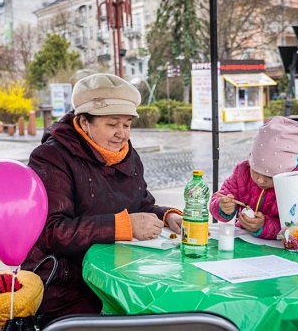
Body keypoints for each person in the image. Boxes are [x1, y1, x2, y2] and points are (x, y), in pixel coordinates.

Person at [22, 73, 183, 322]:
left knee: (170, 312)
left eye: (127, 124)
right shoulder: (51, 158)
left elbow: (142, 204)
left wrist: (166, 216)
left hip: (122, 276)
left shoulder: (127, 154)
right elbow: (53, 232)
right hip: (67, 286)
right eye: (112, 124)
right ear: (84, 122)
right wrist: (124, 226)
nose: (122, 134)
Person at [210, 116, 298, 240]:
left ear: (286, 173)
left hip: (278, 250)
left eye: (270, 176)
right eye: (256, 170)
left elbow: (295, 228)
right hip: (243, 241)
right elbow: (220, 196)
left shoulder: (296, 185)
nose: (260, 180)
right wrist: (222, 207)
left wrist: (264, 226)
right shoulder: (243, 171)